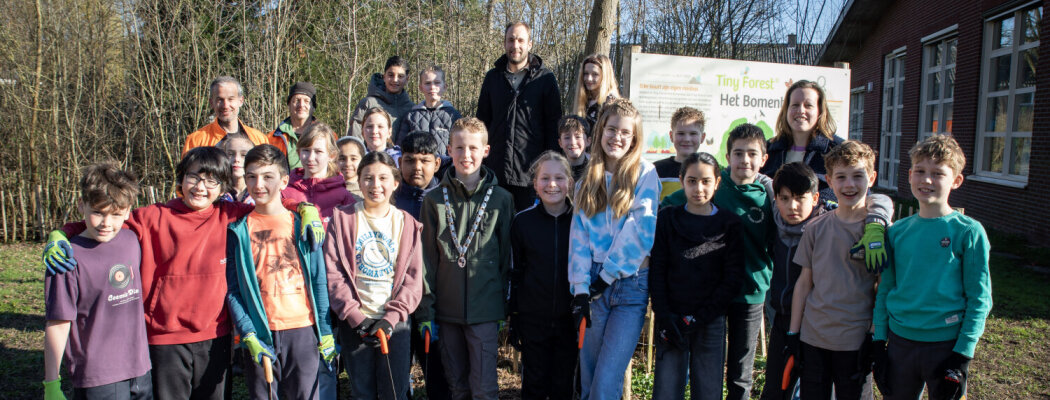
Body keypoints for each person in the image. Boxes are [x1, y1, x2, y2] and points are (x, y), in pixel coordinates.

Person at [42, 147, 324, 400]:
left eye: (211, 181)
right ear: (180, 180)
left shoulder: (229, 214)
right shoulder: (153, 217)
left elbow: (268, 205)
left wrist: (304, 207)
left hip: (215, 336)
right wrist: (61, 233)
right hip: (165, 339)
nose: (201, 187)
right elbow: (107, 218)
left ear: (221, 187)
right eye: (194, 178)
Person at [872, 135, 992, 400]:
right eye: (921, 172)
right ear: (910, 175)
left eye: (938, 173)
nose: (927, 180)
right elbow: (886, 288)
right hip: (900, 344)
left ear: (956, 181)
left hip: (946, 347)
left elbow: (979, 298)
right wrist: (879, 341)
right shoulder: (896, 232)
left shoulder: (969, 232)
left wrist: (962, 355)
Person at [761, 163, 892, 400]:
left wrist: (877, 221)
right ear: (776, 201)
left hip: (825, 326)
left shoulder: (823, 221)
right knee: (776, 391)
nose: (792, 206)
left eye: (800, 198)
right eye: (785, 198)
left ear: (815, 198)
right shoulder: (773, 223)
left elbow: (876, 200)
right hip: (785, 321)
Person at [225, 145, 335, 400]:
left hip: (303, 330)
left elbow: (319, 280)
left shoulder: (303, 225)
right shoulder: (237, 231)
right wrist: (247, 332)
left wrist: (326, 331)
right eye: (251, 176)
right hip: (262, 333)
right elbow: (233, 290)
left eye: (267, 176)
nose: (258, 184)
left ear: (284, 180)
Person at [416, 118, 515, 400]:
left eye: (473, 147)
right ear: (449, 149)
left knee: (483, 388)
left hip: (485, 311)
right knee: (457, 387)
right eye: (459, 148)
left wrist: (502, 308)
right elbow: (426, 261)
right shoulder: (433, 200)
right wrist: (427, 311)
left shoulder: (502, 199)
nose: (466, 155)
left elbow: (506, 259)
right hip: (445, 312)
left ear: (486, 150)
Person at [569, 99, 660, 400]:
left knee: (606, 382)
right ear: (600, 132)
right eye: (611, 129)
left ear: (634, 138)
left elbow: (641, 231)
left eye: (625, 132)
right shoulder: (587, 181)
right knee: (590, 377)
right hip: (593, 286)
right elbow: (579, 238)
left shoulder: (644, 174)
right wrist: (581, 288)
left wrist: (607, 276)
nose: (616, 137)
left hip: (629, 284)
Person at [43, 162, 151, 400]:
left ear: (127, 211)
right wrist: (51, 382)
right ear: (82, 205)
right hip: (98, 376)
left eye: (115, 214)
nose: (106, 223)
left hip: (141, 368)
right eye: (98, 213)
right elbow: (58, 323)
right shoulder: (65, 258)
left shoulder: (132, 239)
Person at [325, 151, 424, 400]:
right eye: (368, 178)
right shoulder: (342, 219)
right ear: (359, 182)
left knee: (394, 390)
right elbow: (333, 274)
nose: (375, 185)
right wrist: (355, 317)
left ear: (395, 183)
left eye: (383, 178)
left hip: (395, 324)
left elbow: (413, 281)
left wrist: (391, 319)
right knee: (363, 391)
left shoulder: (407, 223)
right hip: (355, 323)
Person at [787, 141, 880, 400]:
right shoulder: (816, 229)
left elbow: (883, 286)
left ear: (871, 178)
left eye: (857, 176)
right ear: (829, 180)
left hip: (855, 341)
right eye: (841, 177)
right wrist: (794, 334)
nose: (849, 184)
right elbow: (804, 284)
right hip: (814, 338)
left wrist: (875, 335)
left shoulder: (878, 233)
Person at [649, 152, 743, 400]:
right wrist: (666, 316)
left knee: (708, 392)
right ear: (681, 181)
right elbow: (657, 270)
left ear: (717, 182)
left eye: (705, 181)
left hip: (709, 321)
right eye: (691, 181)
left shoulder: (729, 224)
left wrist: (698, 318)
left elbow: (732, 279)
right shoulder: (668, 219)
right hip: (671, 318)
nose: (698, 188)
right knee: (667, 391)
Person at [508, 151, 577, 400]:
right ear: (534, 183)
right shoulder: (522, 222)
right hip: (533, 318)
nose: (552, 184)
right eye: (545, 178)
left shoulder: (581, 220)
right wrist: (514, 314)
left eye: (559, 178)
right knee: (534, 383)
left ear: (569, 182)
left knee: (563, 384)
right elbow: (515, 272)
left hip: (570, 318)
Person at [714, 124, 774, 400]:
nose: (745, 160)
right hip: (713, 291)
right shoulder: (714, 187)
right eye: (738, 153)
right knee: (709, 364)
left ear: (764, 159)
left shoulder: (770, 198)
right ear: (728, 157)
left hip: (751, 292)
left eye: (752, 154)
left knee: (740, 371)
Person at [477, 21, 562, 211]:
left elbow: (553, 127)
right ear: (505, 43)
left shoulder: (545, 79)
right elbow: (481, 124)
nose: (515, 45)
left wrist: (548, 171)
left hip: (531, 176)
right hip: (495, 173)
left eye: (520, 40)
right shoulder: (492, 78)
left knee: (527, 235)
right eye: (511, 40)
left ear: (529, 44)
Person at [391, 131, 449, 400]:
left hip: (437, 301)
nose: (417, 167)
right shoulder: (389, 200)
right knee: (396, 375)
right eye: (410, 160)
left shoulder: (447, 200)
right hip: (397, 300)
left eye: (424, 161)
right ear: (400, 162)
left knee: (437, 374)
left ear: (437, 163)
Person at [760, 80, 843, 195]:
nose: (800, 110)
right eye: (795, 105)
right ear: (786, 110)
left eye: (808, 105)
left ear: (820, 111)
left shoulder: (838, 151)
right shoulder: (768, 150)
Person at [282, 123, 356, 223]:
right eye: (306, 151)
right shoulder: (285, 191)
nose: (311, 158)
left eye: (318, 151)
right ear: (299, 153)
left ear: (332, 155)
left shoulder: (343, 196)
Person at [183, 76, 268, 154]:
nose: (225, 106)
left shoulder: (259, 139)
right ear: (211, 102)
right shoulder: (196, 140)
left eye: (231, 99)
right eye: (220, 100)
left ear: (241, 101)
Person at [394, 65, 463, 153]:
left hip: (445, 165)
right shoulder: (411, 116)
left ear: (445, 86)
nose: (432, 87)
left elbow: (460, 146)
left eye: (437, 82)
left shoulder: (453, 116)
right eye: (427, 83)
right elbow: (400, 147)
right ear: (421, 87)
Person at [350, 56, 414, 139]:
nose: (395, 80)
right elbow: (355, 138)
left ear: (407, 79)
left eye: (400, 76)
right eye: (391, 75)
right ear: (384, 77)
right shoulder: (368, 104)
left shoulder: (412, 109)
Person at [653, 107, 705, 201]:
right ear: (671, 136)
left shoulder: (708, 170)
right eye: (681, 133)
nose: (687, 139)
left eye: (693, 134)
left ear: (702, 137)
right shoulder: (656, 170)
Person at [269, 81, 320, 169]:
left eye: (306, 101)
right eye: (296, 100)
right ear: (289, 104)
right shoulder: (272, 139)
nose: (301, 105)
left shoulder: (328, 137)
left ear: (313, 107)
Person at [571, 54, 621, 130]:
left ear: (604, 76)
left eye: (595, 74)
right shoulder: (584, 101)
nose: (589, 78)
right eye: (586, 73)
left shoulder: (612, 104)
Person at [217, 134, 256, 203]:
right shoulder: (216, 191)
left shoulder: (260, 191)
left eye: (243, 155)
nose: (236, 159)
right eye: (231, 154)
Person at [557, 115, 591, 181]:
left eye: (578, 137)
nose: (572, 142)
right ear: (560, 143)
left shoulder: (595, 171)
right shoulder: (556, 171)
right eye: (567, 137)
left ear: (588, 141)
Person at [337, 136, 367, 200]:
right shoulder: (326, 190)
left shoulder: (367, 194)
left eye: (353, 159)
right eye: (342, 159)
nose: (348, 164)